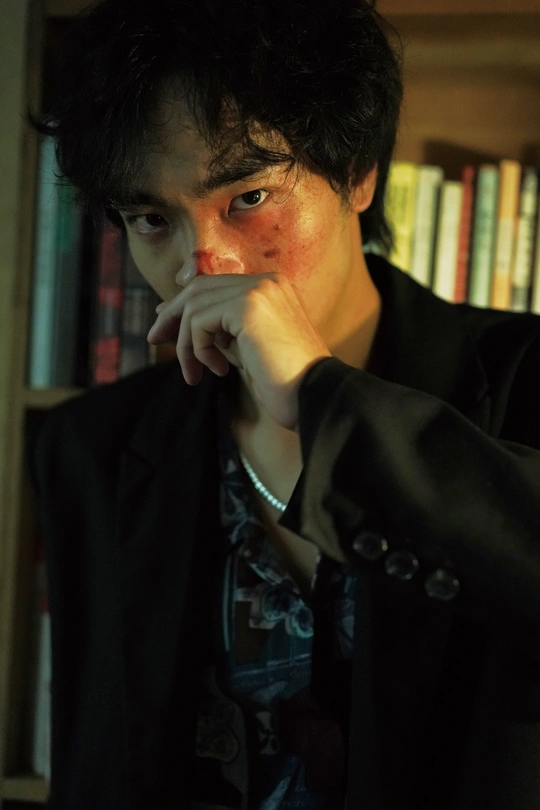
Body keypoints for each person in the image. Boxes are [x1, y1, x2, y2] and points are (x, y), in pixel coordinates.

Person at [27, 0, 540, 808]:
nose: (203, 266)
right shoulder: (92, 447)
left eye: (249, 198)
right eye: (152, 218)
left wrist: (319, 395)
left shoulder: (526, 378)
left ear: (359, 172)